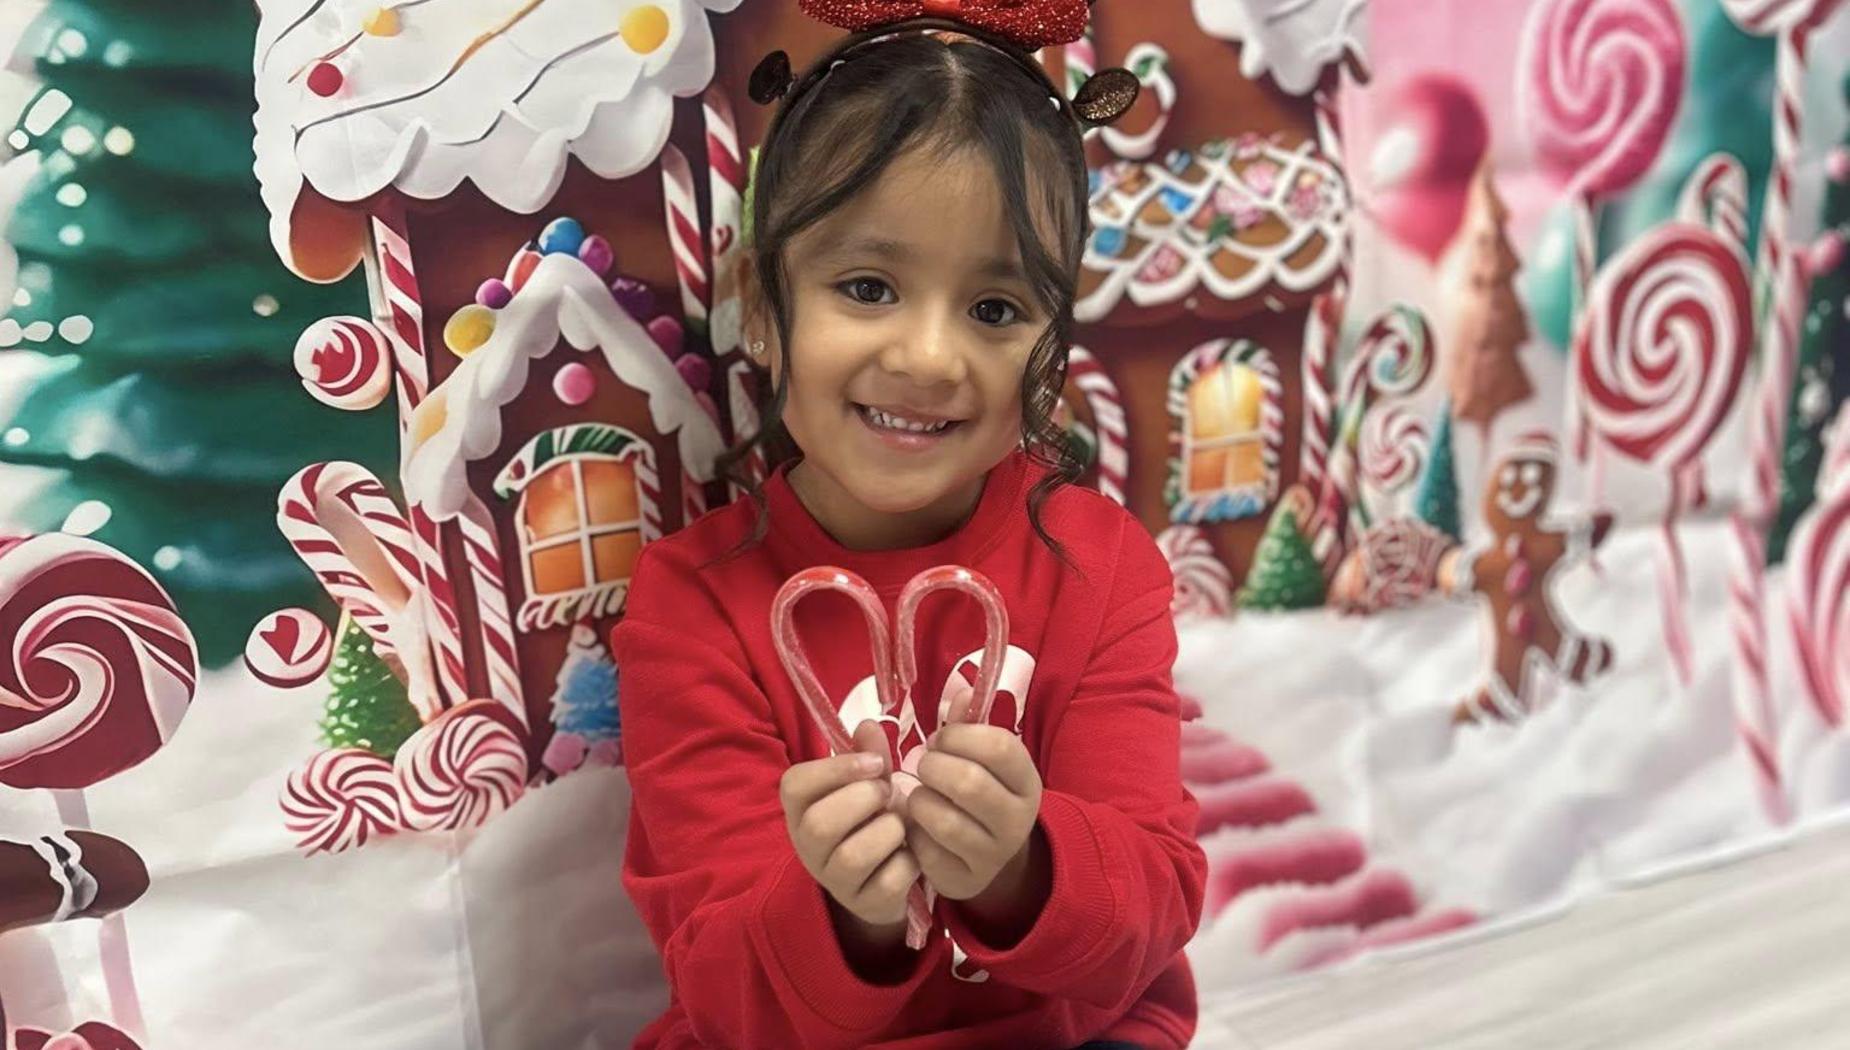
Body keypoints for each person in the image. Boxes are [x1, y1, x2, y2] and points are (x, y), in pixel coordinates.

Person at [613, 3, 1206, 1047]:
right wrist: (847, 915)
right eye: (867, 287)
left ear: (1051, 343)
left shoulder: (1102, 568)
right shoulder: (692, 604)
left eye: (994, 309)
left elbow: (1150, 914)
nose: (930, 359)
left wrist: (1024, 871)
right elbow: (720, 989)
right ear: (761, 304)